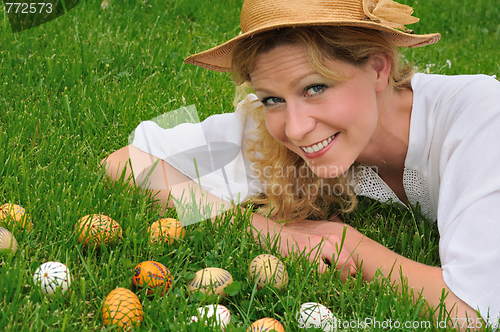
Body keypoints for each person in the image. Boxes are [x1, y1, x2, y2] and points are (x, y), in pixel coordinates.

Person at [102, 0, 500, 328]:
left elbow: (472, 311)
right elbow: (127, 161)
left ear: (379, 68)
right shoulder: (271, 130)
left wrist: (347, 243)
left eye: (316, 88)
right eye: (272, 98)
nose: (295, 128)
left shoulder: (481, 115)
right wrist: (259, 228)